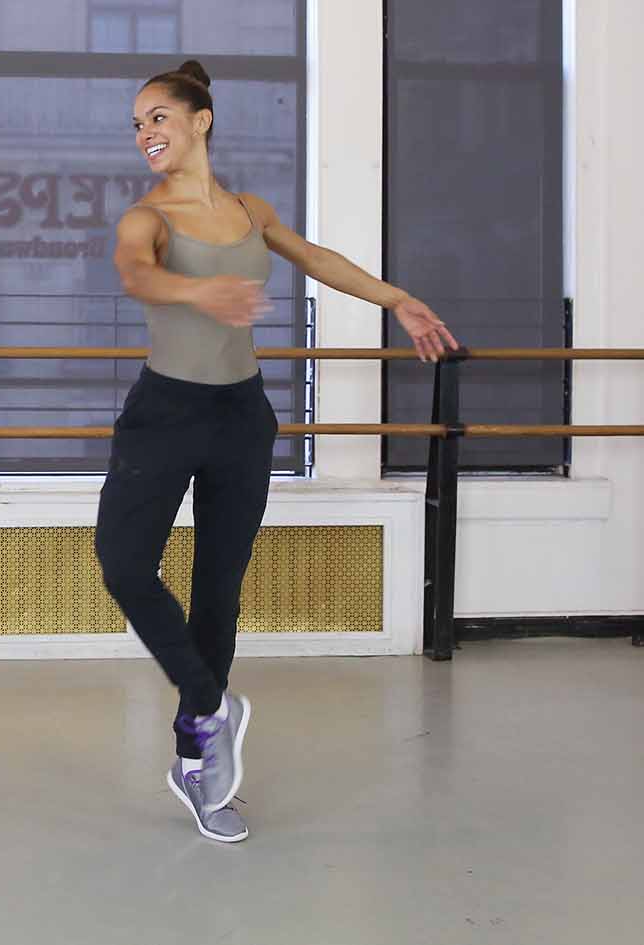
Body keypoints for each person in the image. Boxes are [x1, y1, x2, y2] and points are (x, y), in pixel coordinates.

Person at [96, 62, 459, 843]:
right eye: (135, 124)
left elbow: (315, 256)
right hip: (164, 413)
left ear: (203, 120)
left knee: (217, 590)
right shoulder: (145, 216)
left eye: (158, 117)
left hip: (241, 415)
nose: (145, 134)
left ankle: (199, 760)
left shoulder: (250, 210)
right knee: (124, 564)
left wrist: (395, 298)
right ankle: (209, 702)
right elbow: (137, 274)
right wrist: (198, 292)